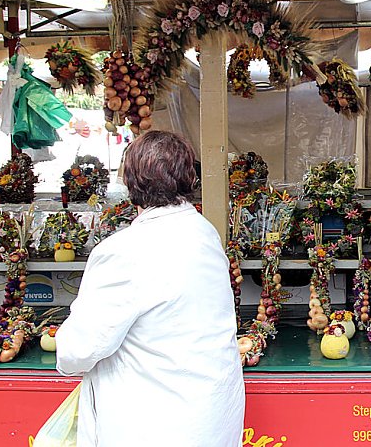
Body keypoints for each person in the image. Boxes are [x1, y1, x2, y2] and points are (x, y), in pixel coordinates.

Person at [57, 131, 244, 446]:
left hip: (156, 423)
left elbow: (78, 350)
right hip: (211, 413)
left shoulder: (125, 251)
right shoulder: (204, 233)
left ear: (131, 184)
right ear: (189, 178)